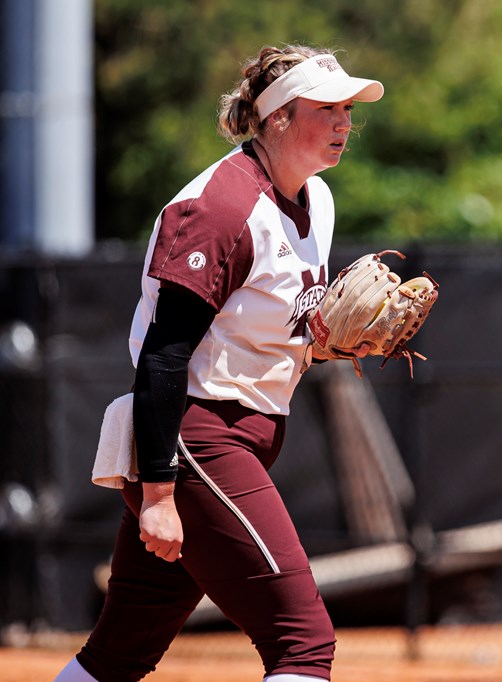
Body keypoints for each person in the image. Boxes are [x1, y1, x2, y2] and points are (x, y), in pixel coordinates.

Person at [54, 44, 384, 682]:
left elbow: (263, 333)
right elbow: (164, 354)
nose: (344, 121)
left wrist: (331, 343)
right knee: (302, 642)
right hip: (194, 435)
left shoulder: (317, 200)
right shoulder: (222, 206)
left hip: (238, 434)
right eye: (327, 108)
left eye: (348, 108)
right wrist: (157, 493)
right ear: (278, 117)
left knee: (121, 650)